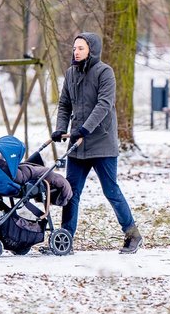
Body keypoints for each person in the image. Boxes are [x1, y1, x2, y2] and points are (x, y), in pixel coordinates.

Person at [51, 32, 143, 254]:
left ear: (92, 49)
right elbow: (64, 105)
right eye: (75, 48)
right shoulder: (71, 74)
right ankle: (66, 239)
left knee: (111, 190)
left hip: (101, 142)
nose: (76, 52)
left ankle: (133, 235)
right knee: (70, 192)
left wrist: (85, 129)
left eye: (81, 48)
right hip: (78, 145)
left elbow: (103, 105)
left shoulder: (105, 72)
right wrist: (61, 128)